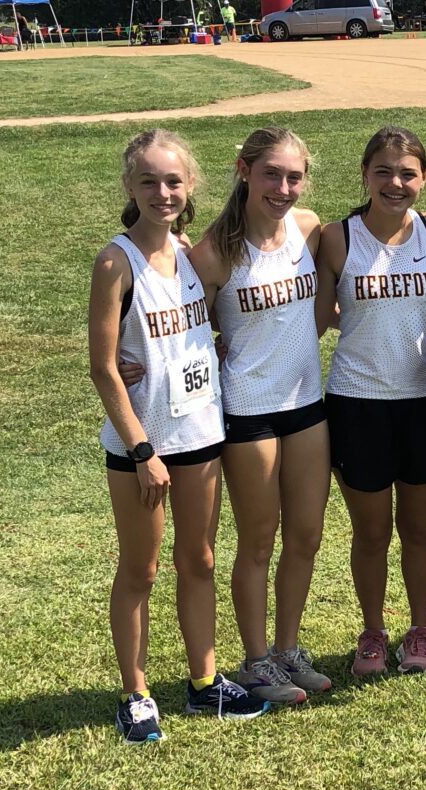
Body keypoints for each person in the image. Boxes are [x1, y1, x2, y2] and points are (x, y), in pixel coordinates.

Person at [87, 129, 270, 743]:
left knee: (200, 561)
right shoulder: (116, 261)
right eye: (149, 182)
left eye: (173, 181)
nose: (162, 192)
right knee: (140, 569)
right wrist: (141, 449)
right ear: (130, 188)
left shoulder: (188, 253)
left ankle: (203, 682)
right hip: (145, 448)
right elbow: (104, 367)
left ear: (190, 186)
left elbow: (196, 332)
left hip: (200, 434)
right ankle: (136, 694)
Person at [191, 127, 334, 703]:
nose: (283, 188)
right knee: (259, 539)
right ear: (243, 170)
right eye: (271, 174)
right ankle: (255, 662)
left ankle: (287, 650)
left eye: (294, 176)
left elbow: (328, 297)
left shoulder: (309, 228)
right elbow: (186, 329)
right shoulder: (213, 252)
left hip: (308, 404)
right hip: (248, 410)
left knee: (306, 533)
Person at [314, 128, 426, 678]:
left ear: (424, 179)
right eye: (384, 172)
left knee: (419, 530)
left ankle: (420, 630)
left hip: (422, 402)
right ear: (365, 175)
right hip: (357, 404)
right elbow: (310, 315)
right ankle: (373, 632)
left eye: (408, 173)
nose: (396, 183)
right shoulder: (337, 238)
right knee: (371, 533)